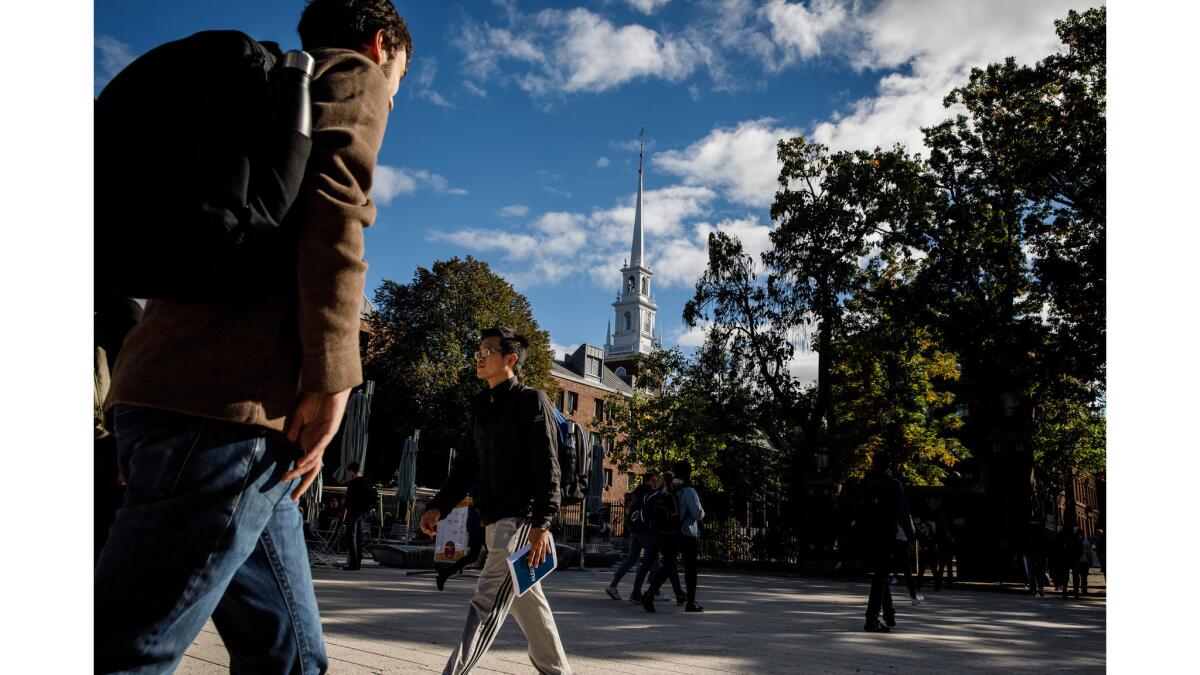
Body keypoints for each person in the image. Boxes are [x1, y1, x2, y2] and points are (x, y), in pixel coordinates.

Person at [94, 2, 413, 672]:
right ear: (381, 45)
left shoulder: (256, 100)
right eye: (399, 81)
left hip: (185, 398)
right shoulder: (349, 74)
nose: (392, 97)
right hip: (227, 412)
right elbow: (336, 219)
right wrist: (336, 380)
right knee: (131, 648)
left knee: (291, 654)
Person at [419, 327, 571, 675]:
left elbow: (548, 467)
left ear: (510, 360)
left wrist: (542, 523)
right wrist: (439, 506)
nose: (480, 355)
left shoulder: (532, 401)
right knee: (525, 600)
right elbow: (465, 467)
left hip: (519, 519)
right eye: (479, 349)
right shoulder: (480, 406)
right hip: (492, 517)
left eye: (489, 350)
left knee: (486, 602)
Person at [861, 451, 916, 633]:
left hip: (868, 535)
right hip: (886, 534)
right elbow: (903, 512)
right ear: (889, 465)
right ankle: (872, 618)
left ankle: (888, 613)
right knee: (880, 577)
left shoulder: (866, 483)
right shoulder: (893, 485)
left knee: (880, 574)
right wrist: (910, 536)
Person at [640, 470, 691, 613]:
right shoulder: (672, 494)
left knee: (667, 565)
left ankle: (652, 594)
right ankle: (649, 594)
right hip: (670, 535)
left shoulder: (658, 493)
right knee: (668, 566)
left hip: (657, 533)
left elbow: (647, 508)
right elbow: (675, 517)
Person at [604, 472, 658, 600]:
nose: (656, 483)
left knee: (632, 558)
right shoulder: (649, 494)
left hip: (635, 530)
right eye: (654, 480)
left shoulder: (636, 494)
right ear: (648, 481)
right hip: (645, 532)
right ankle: (654, 591)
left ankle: (613, 585)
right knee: (654, 561)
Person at [672, 461, 706, 612]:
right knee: (690, 568)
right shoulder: (689, 490)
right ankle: (690, 602)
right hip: (687, 533)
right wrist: (703, 512)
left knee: (667, 566)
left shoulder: (670, 487)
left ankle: (650, 593)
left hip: (670, 532)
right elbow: (697, 514)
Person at [436, 498, 486, 591]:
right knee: (491, 554)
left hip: (477, 525)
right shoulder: (481, 489)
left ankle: (445, 573)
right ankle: (492, 582)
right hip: (481, 525)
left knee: (473, 556)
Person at [342, 461, 377, 571]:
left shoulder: (353, 483)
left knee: (351, 537)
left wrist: (346, 507)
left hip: (353, 511)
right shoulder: (367, 482)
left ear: (352, 471)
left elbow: (348, 500)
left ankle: (353, 563)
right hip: (362, 513)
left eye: (349, 472)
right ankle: (358, 562)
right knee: (359, 537)